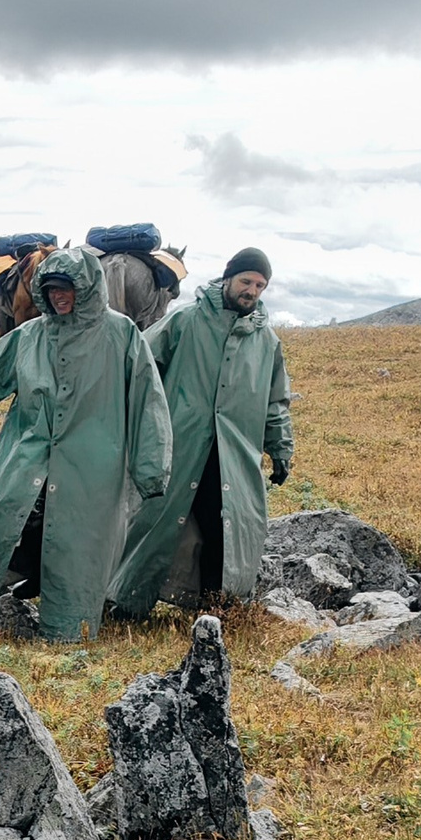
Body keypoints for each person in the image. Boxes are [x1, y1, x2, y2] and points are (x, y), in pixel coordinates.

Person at [0, 246, 172, 642]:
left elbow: (148, 402)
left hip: (93, 466)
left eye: (66, 288)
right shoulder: (29, 336)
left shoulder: (122, 335)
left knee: (79, 546)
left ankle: (67, 631)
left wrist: (151, 468)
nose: (58, 297)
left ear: (86, 288)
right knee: (2, 523)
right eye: (51, 289)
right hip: (27, 456)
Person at [108, 248, 294, 618]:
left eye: (260, 285)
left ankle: (216, 608)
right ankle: (126, 600)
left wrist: (280, 448)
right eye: (246, 281)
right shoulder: (185, 321)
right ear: (228, 278)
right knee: (153, 521)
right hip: (180, 444)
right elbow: (141, 364)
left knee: (225, 528)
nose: (252, 291)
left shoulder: (267, 342)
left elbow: (276, 402)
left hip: (233, 453)